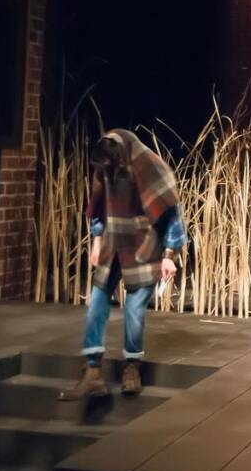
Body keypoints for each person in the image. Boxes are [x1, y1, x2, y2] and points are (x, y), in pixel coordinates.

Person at [58, 129, 186, 399]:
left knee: (134, 310)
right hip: (113, 241)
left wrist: (170, 254)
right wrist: (96, 239)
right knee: (96, 303)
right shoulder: (105, 163)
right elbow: (98, 204)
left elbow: (171, 210)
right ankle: (93, 370)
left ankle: (132, 366)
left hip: (142, 243)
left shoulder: (146, 164)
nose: (106, 172)